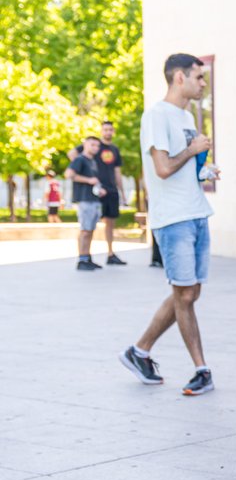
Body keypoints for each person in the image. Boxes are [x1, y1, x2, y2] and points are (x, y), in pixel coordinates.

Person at [119, 53, 218, 395]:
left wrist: (203, 169)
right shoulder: (157, 115)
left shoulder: (185, 115)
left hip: (194, 211)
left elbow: (182, 168)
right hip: (173, 218)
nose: (202, 83)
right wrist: (192, 150)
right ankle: (201, 369)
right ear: (179, 77)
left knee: (188, 292)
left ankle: (139, 350)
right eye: (199, 77)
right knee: (185, 294)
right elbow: (162, 168)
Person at [65, 137, 106, 271]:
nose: (95, 147)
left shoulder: (92, 161)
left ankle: (87, 257)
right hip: (84, 200)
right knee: (85, 230)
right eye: (92, 144)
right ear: (85, 145)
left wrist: (99, 189)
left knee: (90, 230)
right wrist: (88, 180)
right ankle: (81, 259)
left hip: (93, 199)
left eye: (97, 146)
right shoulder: (80, 159)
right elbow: (69, 174)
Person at [94, 121, 127, 265]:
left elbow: (117, 171)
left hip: (112, 190)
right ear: (101, 131)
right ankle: (85, 256)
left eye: (110, 130)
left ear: (113, 132)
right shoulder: (94, 146)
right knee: (90, 223)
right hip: (97, 190)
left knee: (110, 223)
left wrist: (122, 192)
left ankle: (110, 253)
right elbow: (73, 154)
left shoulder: (114, 149)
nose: (107, 132)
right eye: (105, 129)